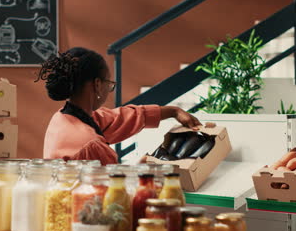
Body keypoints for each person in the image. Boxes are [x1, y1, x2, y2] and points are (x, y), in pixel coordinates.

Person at [36, 47, 201, 165]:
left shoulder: (64, 117)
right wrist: (140, 170)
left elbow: (122, 117)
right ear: (98, 84)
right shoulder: (91, 144)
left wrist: (174, 111)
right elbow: (113, 200)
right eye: (109, 83)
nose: (110, 89)